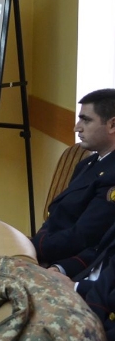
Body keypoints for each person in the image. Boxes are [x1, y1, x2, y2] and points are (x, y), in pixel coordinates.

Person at [34, 88, 115, 275]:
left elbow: (85, 236)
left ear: (112, 125)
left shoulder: (111, 175)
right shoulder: (87, 164)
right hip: (52, 251)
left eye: (86, 120)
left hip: (77, 267)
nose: (77, 128)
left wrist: (36, 246)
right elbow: (57, 216)